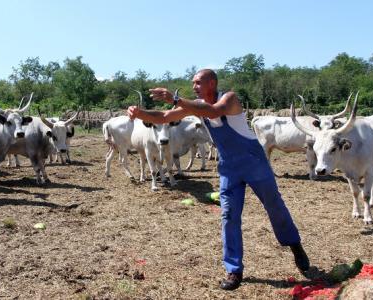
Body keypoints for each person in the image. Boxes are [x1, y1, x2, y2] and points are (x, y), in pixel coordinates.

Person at [127, 69, 309, 291]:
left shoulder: (229, 99)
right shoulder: (194, 104)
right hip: (228, 166)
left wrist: (176, 99)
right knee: (229, 214)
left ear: (212, 83)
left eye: (198, 82)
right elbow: (164, 117)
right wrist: (139, 113)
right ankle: (234, 270)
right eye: (192, 83)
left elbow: (214, 111)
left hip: (253, 161)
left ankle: (294, 245)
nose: (194, 86)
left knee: (274, 205)